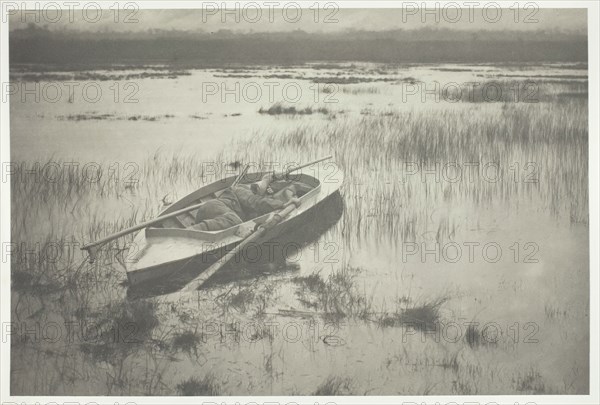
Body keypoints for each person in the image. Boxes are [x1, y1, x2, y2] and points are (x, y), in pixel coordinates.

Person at [192, 173, 303, 232]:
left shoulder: (254, 204)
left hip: (217, 218)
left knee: (237, 224)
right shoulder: (240, 189)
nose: (264, 188)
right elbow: (256, 202)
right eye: (264, 184)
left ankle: (199, 232)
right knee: (235, 222)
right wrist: (283, 205)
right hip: (213, 207)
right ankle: (192, 231)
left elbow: (259, 204)